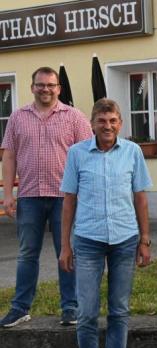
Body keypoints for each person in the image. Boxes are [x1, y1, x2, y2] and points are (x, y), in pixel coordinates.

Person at [59, 98, 152, 348]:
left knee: (119, 310)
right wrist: (65, 246)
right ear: (93, 123)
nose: (107, 125)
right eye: (102, 120)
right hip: (87, 240)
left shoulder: (133, 152)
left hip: (125, 239)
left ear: (120, 124)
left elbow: (140, 198)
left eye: (113, 120)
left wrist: (145, 240)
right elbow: (69, 200)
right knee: (86, 311)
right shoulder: (76, 154)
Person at [0, 67, 91, 328]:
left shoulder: (74, 117)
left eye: (51, 85)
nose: (45, 89)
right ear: (32, 87)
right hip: (29, 196)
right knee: (27, 253)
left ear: (59, 88)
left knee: (67, 251)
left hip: (66, 197)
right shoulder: (17, 117)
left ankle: (70, 308)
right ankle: (20, 308)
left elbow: (88, 156)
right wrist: (8, 194)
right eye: (40, 85)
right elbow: (9, 156)